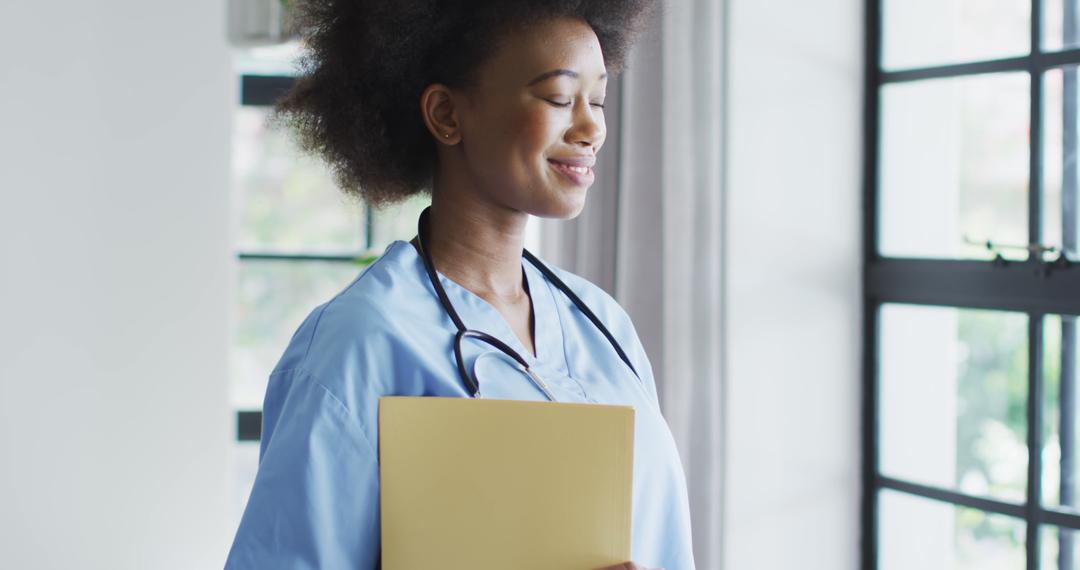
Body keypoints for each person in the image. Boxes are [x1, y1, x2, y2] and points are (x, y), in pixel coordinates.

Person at [224, 1, 695, 568]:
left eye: (597, 99)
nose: (592, 127)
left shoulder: (602, 325)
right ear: (447, 114)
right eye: (557, 98)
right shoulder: (358, 344)